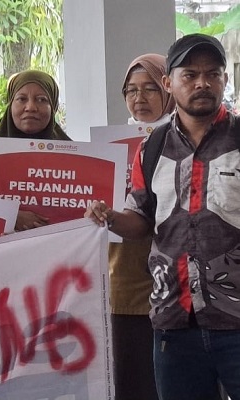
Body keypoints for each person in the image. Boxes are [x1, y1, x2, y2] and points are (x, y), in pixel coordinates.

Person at [86, 34, 240, 400]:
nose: (202, 83)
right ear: (170, 83)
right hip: (173, 323)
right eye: (190, 74)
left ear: (224, 80)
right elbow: (142, 219)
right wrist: (109, 218)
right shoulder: (151, 147)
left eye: (213, 74)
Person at [108, 53, 175, 400]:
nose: (140, 98)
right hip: (121, 276)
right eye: (131, 90)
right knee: (129, 377)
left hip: (173, 284)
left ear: (168, 88)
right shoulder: (106, 146)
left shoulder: (185, 140)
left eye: (150, 88)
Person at [0, 70, 71, 231]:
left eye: (42, 100)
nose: (30, 107)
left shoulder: (71, 153)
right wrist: (9, 216)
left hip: (56, 249)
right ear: (11, 104)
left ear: (53, 107)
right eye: (21, 99)